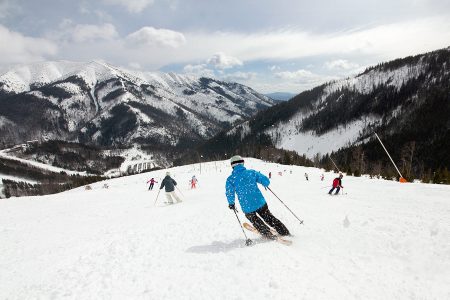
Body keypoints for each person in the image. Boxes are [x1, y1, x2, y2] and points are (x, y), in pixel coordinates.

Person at [225, 155, 290, 239]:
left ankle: (267, 233)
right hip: (259, 202)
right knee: (269, 218)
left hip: (247, 206)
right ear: (242, 163)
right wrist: (264, 183)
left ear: (232, 166)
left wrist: (231, 203)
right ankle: (284, 231)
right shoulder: (251, 172)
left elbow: (229, 192)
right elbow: (266, 180)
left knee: (255, 221)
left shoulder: (231, 179)